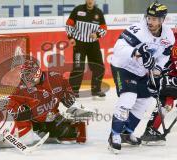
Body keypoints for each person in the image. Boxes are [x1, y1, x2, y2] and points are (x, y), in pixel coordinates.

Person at [0, 58, 92, 150]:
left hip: (51, 118)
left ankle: (45, 131)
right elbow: (13, 102)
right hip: (31, 121)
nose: (25, 78)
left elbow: (68, 96)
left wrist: (76, 109)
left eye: (28, 75)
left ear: (37, 73)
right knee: (20, 138)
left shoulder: (55, 78)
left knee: (68, 134)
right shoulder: (23, 87)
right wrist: (8, 113)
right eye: (24, 75)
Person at [108, 2, 175, 154]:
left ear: (162, 20)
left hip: (141, 71)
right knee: (129, 97)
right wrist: (136, 51)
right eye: (149, 18)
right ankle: (115, 135)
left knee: (144, 101)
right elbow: (118, 48)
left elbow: (165, 53)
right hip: (123, 66)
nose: (150, 22)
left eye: (154, 19)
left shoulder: (168, 34)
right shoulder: (138, 30)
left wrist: (158, 68)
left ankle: (127, 132)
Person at [141, 31, 177, 145]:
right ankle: (150, 130)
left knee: (166, 102)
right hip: (170, 75)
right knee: (166, 102)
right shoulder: (175, 43)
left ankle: (151, 129)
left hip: (170, 75)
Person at [65, 0, 107, 98]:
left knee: (99, 67)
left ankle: (96, 90)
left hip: (93, 44)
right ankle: (73, 91)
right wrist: (70, 38)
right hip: (79, 44)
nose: (90, 1)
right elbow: (69, 24)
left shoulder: (98, 12)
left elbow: (104, 28)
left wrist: (97, 34)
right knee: (78, 68)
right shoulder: (78, 9)